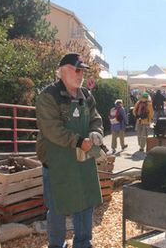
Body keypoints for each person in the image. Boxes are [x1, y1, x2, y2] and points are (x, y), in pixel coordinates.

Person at [36, 52, 104, 248]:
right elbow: (51, 129)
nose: (81, 74)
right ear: (63, 71)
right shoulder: (48, 96)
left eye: (82, 71)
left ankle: (83, 243)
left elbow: (96, 119)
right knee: (58, 207)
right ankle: (56, 245)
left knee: (85, 202)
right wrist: (78, 141)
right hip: (56, 162)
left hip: (82, 160)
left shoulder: (87, 96)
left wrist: (95, 133)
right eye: (77, 70)